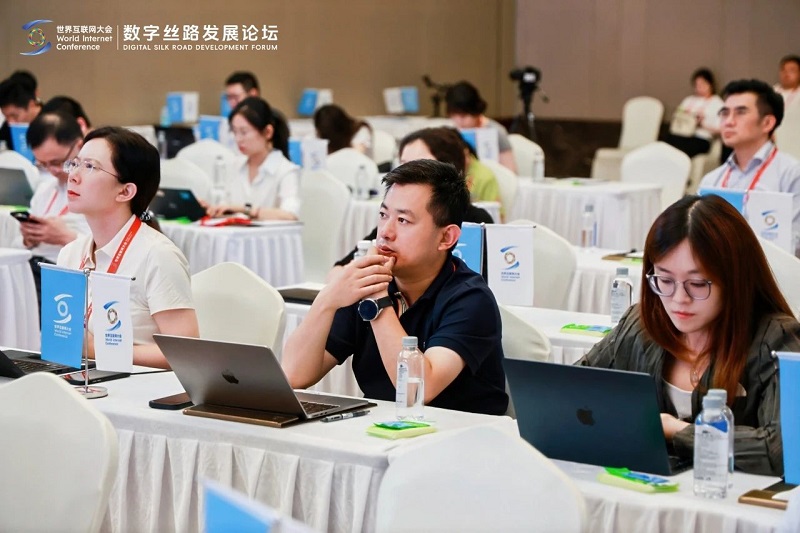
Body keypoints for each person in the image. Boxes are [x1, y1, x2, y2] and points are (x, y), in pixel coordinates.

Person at [579, 194, 800, 476]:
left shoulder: (776, 339)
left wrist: (678, 431)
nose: (679, 299)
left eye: (697, 284)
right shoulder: (640, 324)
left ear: (734, 281)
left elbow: (783, 448)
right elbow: (573, 392)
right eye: (665, 280)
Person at [283, 159, 509, 415]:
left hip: (459, 434)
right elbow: (295, 376)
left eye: (403, 220)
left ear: (446, 237)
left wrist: (378, 300)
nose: (385, 232)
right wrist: (327, 300)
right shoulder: (369, 284)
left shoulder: (471, 298)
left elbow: (417, 390)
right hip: (380, 428)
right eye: (383, 215)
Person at [57, 126, 199, 369]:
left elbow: (186, 353)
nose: (73, 176)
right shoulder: (70, 253)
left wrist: (98, 350)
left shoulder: (158, 255)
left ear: (125, 191)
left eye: (90, 167)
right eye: (75, 163)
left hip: (135, 383)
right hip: (78, 376)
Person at [334, 126, 494, 267]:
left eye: (418, 165)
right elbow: (340, 269)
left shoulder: (477, 221)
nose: (407, 173)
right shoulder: (392, 221)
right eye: (403, 164)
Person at [698, 79, 800, 255]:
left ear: (767, 123)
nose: (728, 122)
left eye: (740, 113)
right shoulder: (712, 180)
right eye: (724, 113)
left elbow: (795, 243)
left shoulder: (791, 173)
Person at [23, 111, 90, 307]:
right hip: (35, 267)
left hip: (72, 275)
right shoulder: (45, 188)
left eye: (57, 162)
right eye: (43, 164)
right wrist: (30, 237)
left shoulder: (99, 190)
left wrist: (65, 237)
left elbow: (111, 252)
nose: (53, 171)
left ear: (79, 145)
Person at [206, 97, 300, 221]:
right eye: (235, 132)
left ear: (267, 132)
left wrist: (246, 210)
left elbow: (290, 215)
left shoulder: (285, 170)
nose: (238, 139)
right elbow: (225, 206)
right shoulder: (235, 165)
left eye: (244, 132)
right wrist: (212, 209)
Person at [445, 81, 517, 174]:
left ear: (476, 111)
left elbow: (510, 171)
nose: (459, 121)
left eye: (464, 116)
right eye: (453, 115)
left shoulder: (496, 131)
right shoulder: (449, 131)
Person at [663, 68, 724, 158]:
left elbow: (721, 129)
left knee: (682, 147)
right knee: (667, 140)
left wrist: (702, 124)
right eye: (697, 85)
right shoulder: (689, 100)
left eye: (702, 84)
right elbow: (678, 114)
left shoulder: (717, 103)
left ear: (710, 84)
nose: (699, 88)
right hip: (682, 133)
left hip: (701, 138)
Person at [0, 72, 41, 151]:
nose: (10, 122)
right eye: (6, 116)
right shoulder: (7, 128)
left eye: (15, 116)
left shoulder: (53, 124)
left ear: (31, 105)